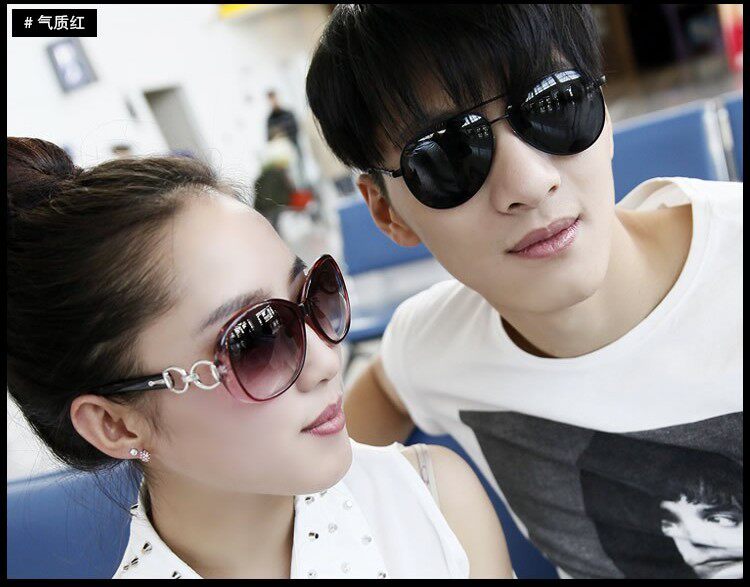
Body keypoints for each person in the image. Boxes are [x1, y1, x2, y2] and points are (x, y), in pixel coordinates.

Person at [305, 4, 742, 579]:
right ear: (388, 213)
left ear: (605, 114)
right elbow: (384, 393)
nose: (531, 183)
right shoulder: (436, 346)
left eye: (555, 104)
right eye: (448, 154)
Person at [6, 137, 513, 579]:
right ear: (115, 425)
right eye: (256, 340)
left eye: (314, 295)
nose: (326, 363)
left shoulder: (433, 504)